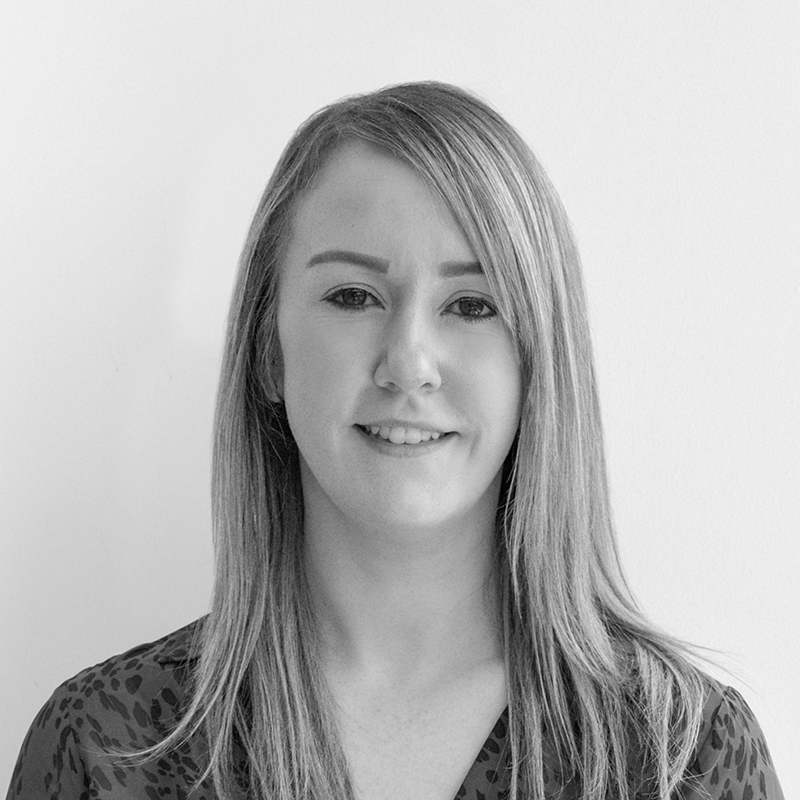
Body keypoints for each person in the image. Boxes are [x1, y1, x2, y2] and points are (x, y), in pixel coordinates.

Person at [6, 82, 784, 800]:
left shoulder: (684, 757)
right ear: (269, 352)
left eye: (473, 305)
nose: (409, 361)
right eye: (353, 295)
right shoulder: (105, 748)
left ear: (539, 365)